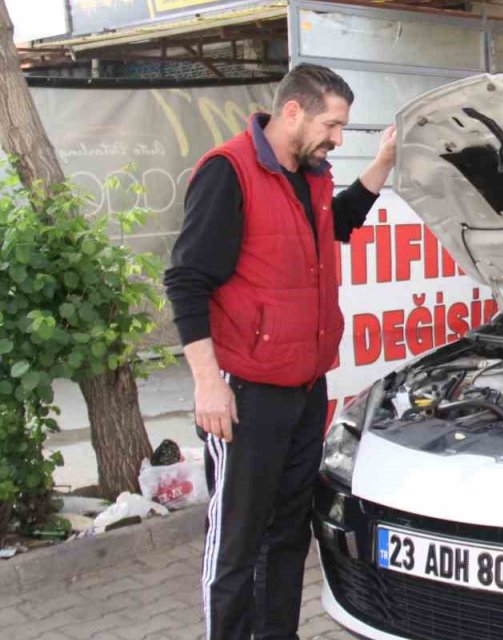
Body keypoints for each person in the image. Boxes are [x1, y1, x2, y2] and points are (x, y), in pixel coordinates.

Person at [163, 63, 395, 640]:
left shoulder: (311, 175)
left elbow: (336, 224)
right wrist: (207, 382)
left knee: (289, 533)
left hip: (303, 390)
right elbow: (187, 281)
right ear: (292, 111)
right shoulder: (229, 172)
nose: (337, 138)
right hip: (245, 395)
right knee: (237, 543)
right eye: (332, 125)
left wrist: (383, 162)